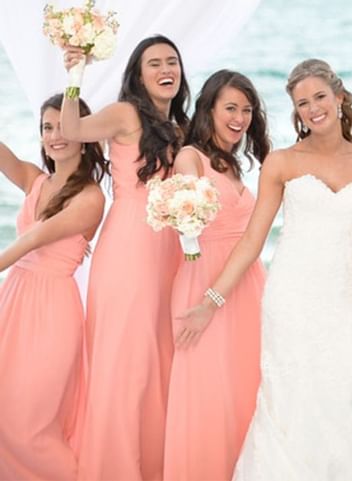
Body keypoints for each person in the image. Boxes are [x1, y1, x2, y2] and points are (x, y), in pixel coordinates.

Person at [179, 58, 352, 480]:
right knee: (289, 397)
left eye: (319, 97)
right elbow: (251, 242)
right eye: (302, 103)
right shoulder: (281, 163)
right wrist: (211, 301)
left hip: (346, 301)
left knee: (341, 398)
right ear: (296, 112)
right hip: (291, 298)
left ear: (340, 98)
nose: (313, 108)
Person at [61, 34, 190, 480]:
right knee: (126, 360)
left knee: (159, 358)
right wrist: (75, 76)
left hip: (171, 247)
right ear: (138, 74)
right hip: (131, 245)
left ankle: (153, 464)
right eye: (153, 63)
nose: (164, 69)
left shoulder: (181, 128)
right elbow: (73, 130)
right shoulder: (125, 114)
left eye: (171, 61)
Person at [163, 69, 270, 481]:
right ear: (208, 109)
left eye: (246, 110)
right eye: (230, 108)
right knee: (207, 390)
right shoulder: (191, 158)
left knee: (242, 388)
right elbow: (184, 222)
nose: (240, 118)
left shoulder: (232, 166)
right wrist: (208, 302)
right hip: (206, 282)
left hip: (246, 282)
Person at [0, 93, 106, 480]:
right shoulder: (35, 180)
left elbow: (33, 239)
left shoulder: (91, 198)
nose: (54, 135)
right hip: (12, 301)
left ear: (84, 133)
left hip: (52, 311)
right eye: (47, 127)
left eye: (63, 126)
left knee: (30, 423)